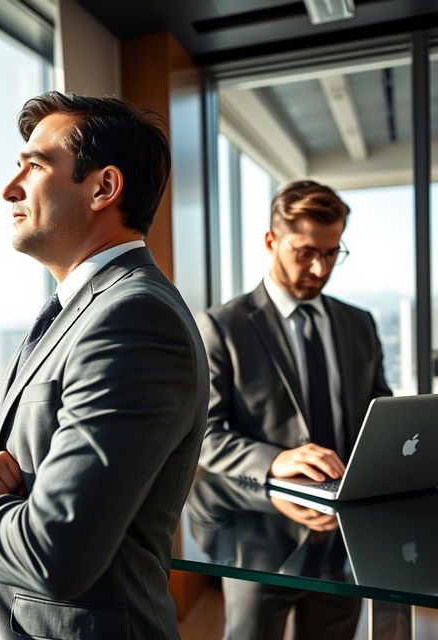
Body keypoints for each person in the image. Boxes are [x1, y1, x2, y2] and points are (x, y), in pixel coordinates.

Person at [0, 91, 209, 640]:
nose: (10, 189)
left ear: (103, 187)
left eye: (34, 167)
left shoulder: (136, 319)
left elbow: (55, 553)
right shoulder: (66, 313)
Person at [196, 179, 392, 639]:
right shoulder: (222, 327)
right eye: (305, 252)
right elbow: (203, 433)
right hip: (255, 541)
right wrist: (276, 460)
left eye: (331, 253)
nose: (320, 267)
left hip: (345, 542)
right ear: (271, 241)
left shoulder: (358, 323)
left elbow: (376, 416)